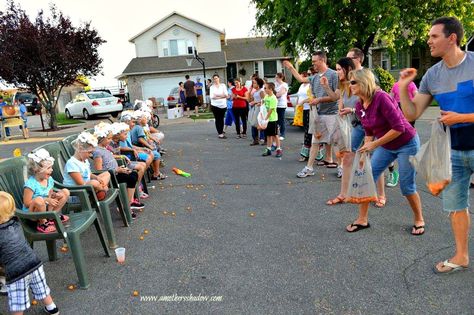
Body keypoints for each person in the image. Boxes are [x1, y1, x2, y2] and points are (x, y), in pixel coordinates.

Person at [399, 17, 474, 274]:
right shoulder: (433, 75)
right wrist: (402, 87)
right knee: (456, 205)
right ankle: (461, 256)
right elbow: (412, 115)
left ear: (451, 38)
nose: (428, 41)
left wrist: (462, 117)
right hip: (453, 151)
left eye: (433, 36)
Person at [346, 68, 424, 235]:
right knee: (367, 177)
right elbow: (368, 131)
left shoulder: (381, 98)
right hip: (387, 145)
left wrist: (374, 145)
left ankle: (419, 219)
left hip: (407, 143)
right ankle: (362, 219)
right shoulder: (359, 105)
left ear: (364, 82)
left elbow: (399, 128)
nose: (349, 85)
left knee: (406, 185)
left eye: (353, 82)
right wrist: (364, 153)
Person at [0, 191, 60, 315]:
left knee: (18, 302)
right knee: (42, 288)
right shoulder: (16, 223)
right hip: (34, 263)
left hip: (16, 273)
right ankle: (52, 308)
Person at [284, 51, 340, 178]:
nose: (313, 63)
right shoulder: (314, 77)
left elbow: (335, 97)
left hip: (332, 114)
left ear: (322, 60)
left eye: (315, 61)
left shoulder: (333, 75)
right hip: (318, 114)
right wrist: (291, 67)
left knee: (336, 142)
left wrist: (319, 100)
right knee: (315, 141)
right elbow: (301, 79)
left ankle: (341, 167)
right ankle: (309, 168)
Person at [347, 47, 387, 207]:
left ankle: (381, 194)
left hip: (376, 124)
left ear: (358, 59)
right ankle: (359, 190)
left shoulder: (369, 76)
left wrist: (373, 141)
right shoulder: (348, 76)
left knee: (377, 159)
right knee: (357, 155)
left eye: (350, 58)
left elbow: (377, 95)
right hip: (359, 123)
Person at [324, 57, 360, 205]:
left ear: (348, 69)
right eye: (337, 69)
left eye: (339, 69)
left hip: (367, 126)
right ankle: (344, 194)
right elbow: (337, 101)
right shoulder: (344, 86)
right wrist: (326, 86)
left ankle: (379, 194)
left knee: (370, 161)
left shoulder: (359, 83)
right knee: (347, 159)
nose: (337, 72)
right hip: (354, 126)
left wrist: (351, 109)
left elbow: (369, 105)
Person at [92, 122, 144, 217]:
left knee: (133, 174)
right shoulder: (97, 152)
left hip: (115, 172)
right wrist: (117, 170)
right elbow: (99, 171)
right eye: (108, 139)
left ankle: (128, 203)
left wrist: (119, 168)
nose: (110, 141)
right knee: (132, 177)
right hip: (110, 177)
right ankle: (126, 207)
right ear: (101, 139)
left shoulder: (104, 148)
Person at [23, 149, 70, 233]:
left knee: (65, 192)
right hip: (33, 213)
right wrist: (46, 200)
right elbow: (27, 203)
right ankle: (43, 223)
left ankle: (52, 216)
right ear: (37, 170)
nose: (51, 170)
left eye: (51, 167)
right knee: (39, 200)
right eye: (48, 168)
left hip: (46, 207)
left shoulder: (49, 179)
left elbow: (50, 194)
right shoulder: (31, 184)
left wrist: (54, 195)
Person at [386, 76, 418, 188]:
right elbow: (390, 97)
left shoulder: (408, 84)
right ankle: (405, 166)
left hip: (405, 108)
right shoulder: (405, 84)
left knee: (407, 137)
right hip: (401, 108)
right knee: (402, 138)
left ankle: (409, 164)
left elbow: (416, 96)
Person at [63, 131, 111, 201]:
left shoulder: (84, 161)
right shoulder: (72, 163)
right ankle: (102, 189)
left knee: (107, 174)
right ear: (81, 149)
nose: (91, 155)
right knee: (94, 183)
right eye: (89, 152)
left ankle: (100, 190)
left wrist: (96, 177)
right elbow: (81, 183)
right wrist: (96, 183)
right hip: (78, 193)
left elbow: (88, 174)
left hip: (88, 188)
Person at [109, 121, 149, 199]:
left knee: (143, 164)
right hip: (119, 164)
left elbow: (119, 148)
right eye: (125, 134)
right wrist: (121, 156)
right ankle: (136, 189)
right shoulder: (110, 143)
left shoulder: (116, 142)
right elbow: (110, 155)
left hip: (122, 162)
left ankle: (137, 186)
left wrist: (131, 149)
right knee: (141, 167)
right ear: (117, 135)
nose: (127, 136)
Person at [130, 110, 166, 180]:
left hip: (138, 146)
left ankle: (154, 170)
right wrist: (149, 146)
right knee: (156, 154)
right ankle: (156, 174)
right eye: (144, 118)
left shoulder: (137, 127)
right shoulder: (139, 128)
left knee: (154, 149)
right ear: (140, 120)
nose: (146, 119)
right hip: (138, 147)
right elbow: (141, 139)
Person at [262, 82, 282, 158]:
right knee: (268, 135)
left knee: (275, 135)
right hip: (267, 119)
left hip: (272, 119)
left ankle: (279, 149)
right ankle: (268, 149)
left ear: (270, 89)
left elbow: (271, 110)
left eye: (265, 88)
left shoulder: (273, 98)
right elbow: (264, 105)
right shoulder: (266, 96)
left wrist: (266, 118)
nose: (264, 89)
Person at [296, 71, 312, 161]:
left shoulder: (311, 85)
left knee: (309, 131)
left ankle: (306, 154)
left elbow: (312, 97)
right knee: (306, 129)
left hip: (310, 109)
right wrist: (297, 105)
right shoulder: (302, 85)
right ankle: (306, 153)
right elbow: (299, 95)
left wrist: (303, 102)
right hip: (303, 110)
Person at [209, 74, 229, 139]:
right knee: (217, 119)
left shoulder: (223, 85)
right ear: (213, 80)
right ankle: (220, 133)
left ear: (219, 78)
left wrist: (217, 96)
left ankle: (221, 131)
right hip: (215, 105)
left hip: (223, 105)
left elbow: (226, 95)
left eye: (216, 78)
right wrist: (221, 96)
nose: (216, 80)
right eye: (214, 79)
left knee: (222, 119)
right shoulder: (212, 87)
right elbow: (212, 97)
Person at [249, 77, 266, 145]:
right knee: (253, 124)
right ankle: (255, 139)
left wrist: (256, 103)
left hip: (260, 109)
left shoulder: (261, 91)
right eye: (253, 83)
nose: (253, 84)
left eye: (254, 83)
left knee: (260, 124)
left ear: (258, 84)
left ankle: (265, 139)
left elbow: (264, 101)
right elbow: (250, 100)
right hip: (255, 108)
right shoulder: (255, 91)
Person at [275, 73, 289, 140]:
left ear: (281, 78)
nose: (276, 78)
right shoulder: (276, 85)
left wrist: (275, 94)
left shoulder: (284, 85)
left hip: (281, 104)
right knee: (276, 119)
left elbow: (279, 94)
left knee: (281, 119)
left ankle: (282, 134)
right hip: (275, 104)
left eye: (277, 77)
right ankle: (276, 132)